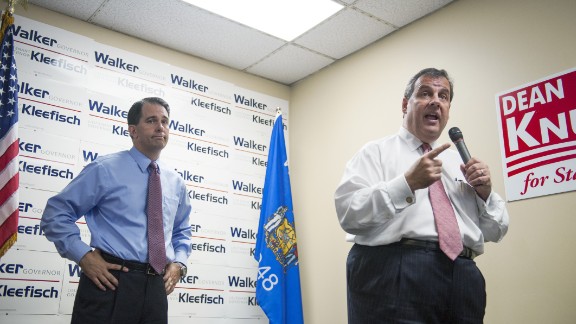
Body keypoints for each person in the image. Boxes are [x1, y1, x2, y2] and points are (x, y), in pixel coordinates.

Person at [334, 68, 509, 324]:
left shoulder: (460, 162)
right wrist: (406, 184)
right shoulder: (376, 152)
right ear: (406, 104)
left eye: (443, 96)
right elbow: (349, 213)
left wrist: (485, 194)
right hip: (394, 272)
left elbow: (497, 231)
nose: (435, 101)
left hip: (462, 277)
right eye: (425, 93)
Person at [41, 97, 192, 324]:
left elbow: (182, 231)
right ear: (133, 130)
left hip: (156, 289)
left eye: (165, 121)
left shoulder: (175, 182)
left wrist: (179, 264)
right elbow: (56, 214)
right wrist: (83, 256)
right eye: (151, 120)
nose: (160, 127)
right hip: (110, 282)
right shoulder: (104, 169)